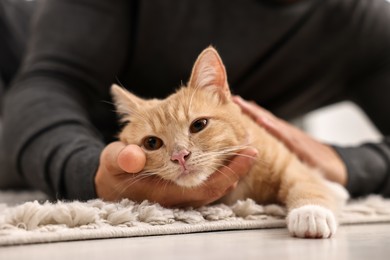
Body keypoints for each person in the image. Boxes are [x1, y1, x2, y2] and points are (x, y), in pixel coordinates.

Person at [0, 0, 389, 207]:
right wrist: (90, 175)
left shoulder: (372, 25)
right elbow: (48, 82)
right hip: (18, 64)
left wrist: (346, 164)